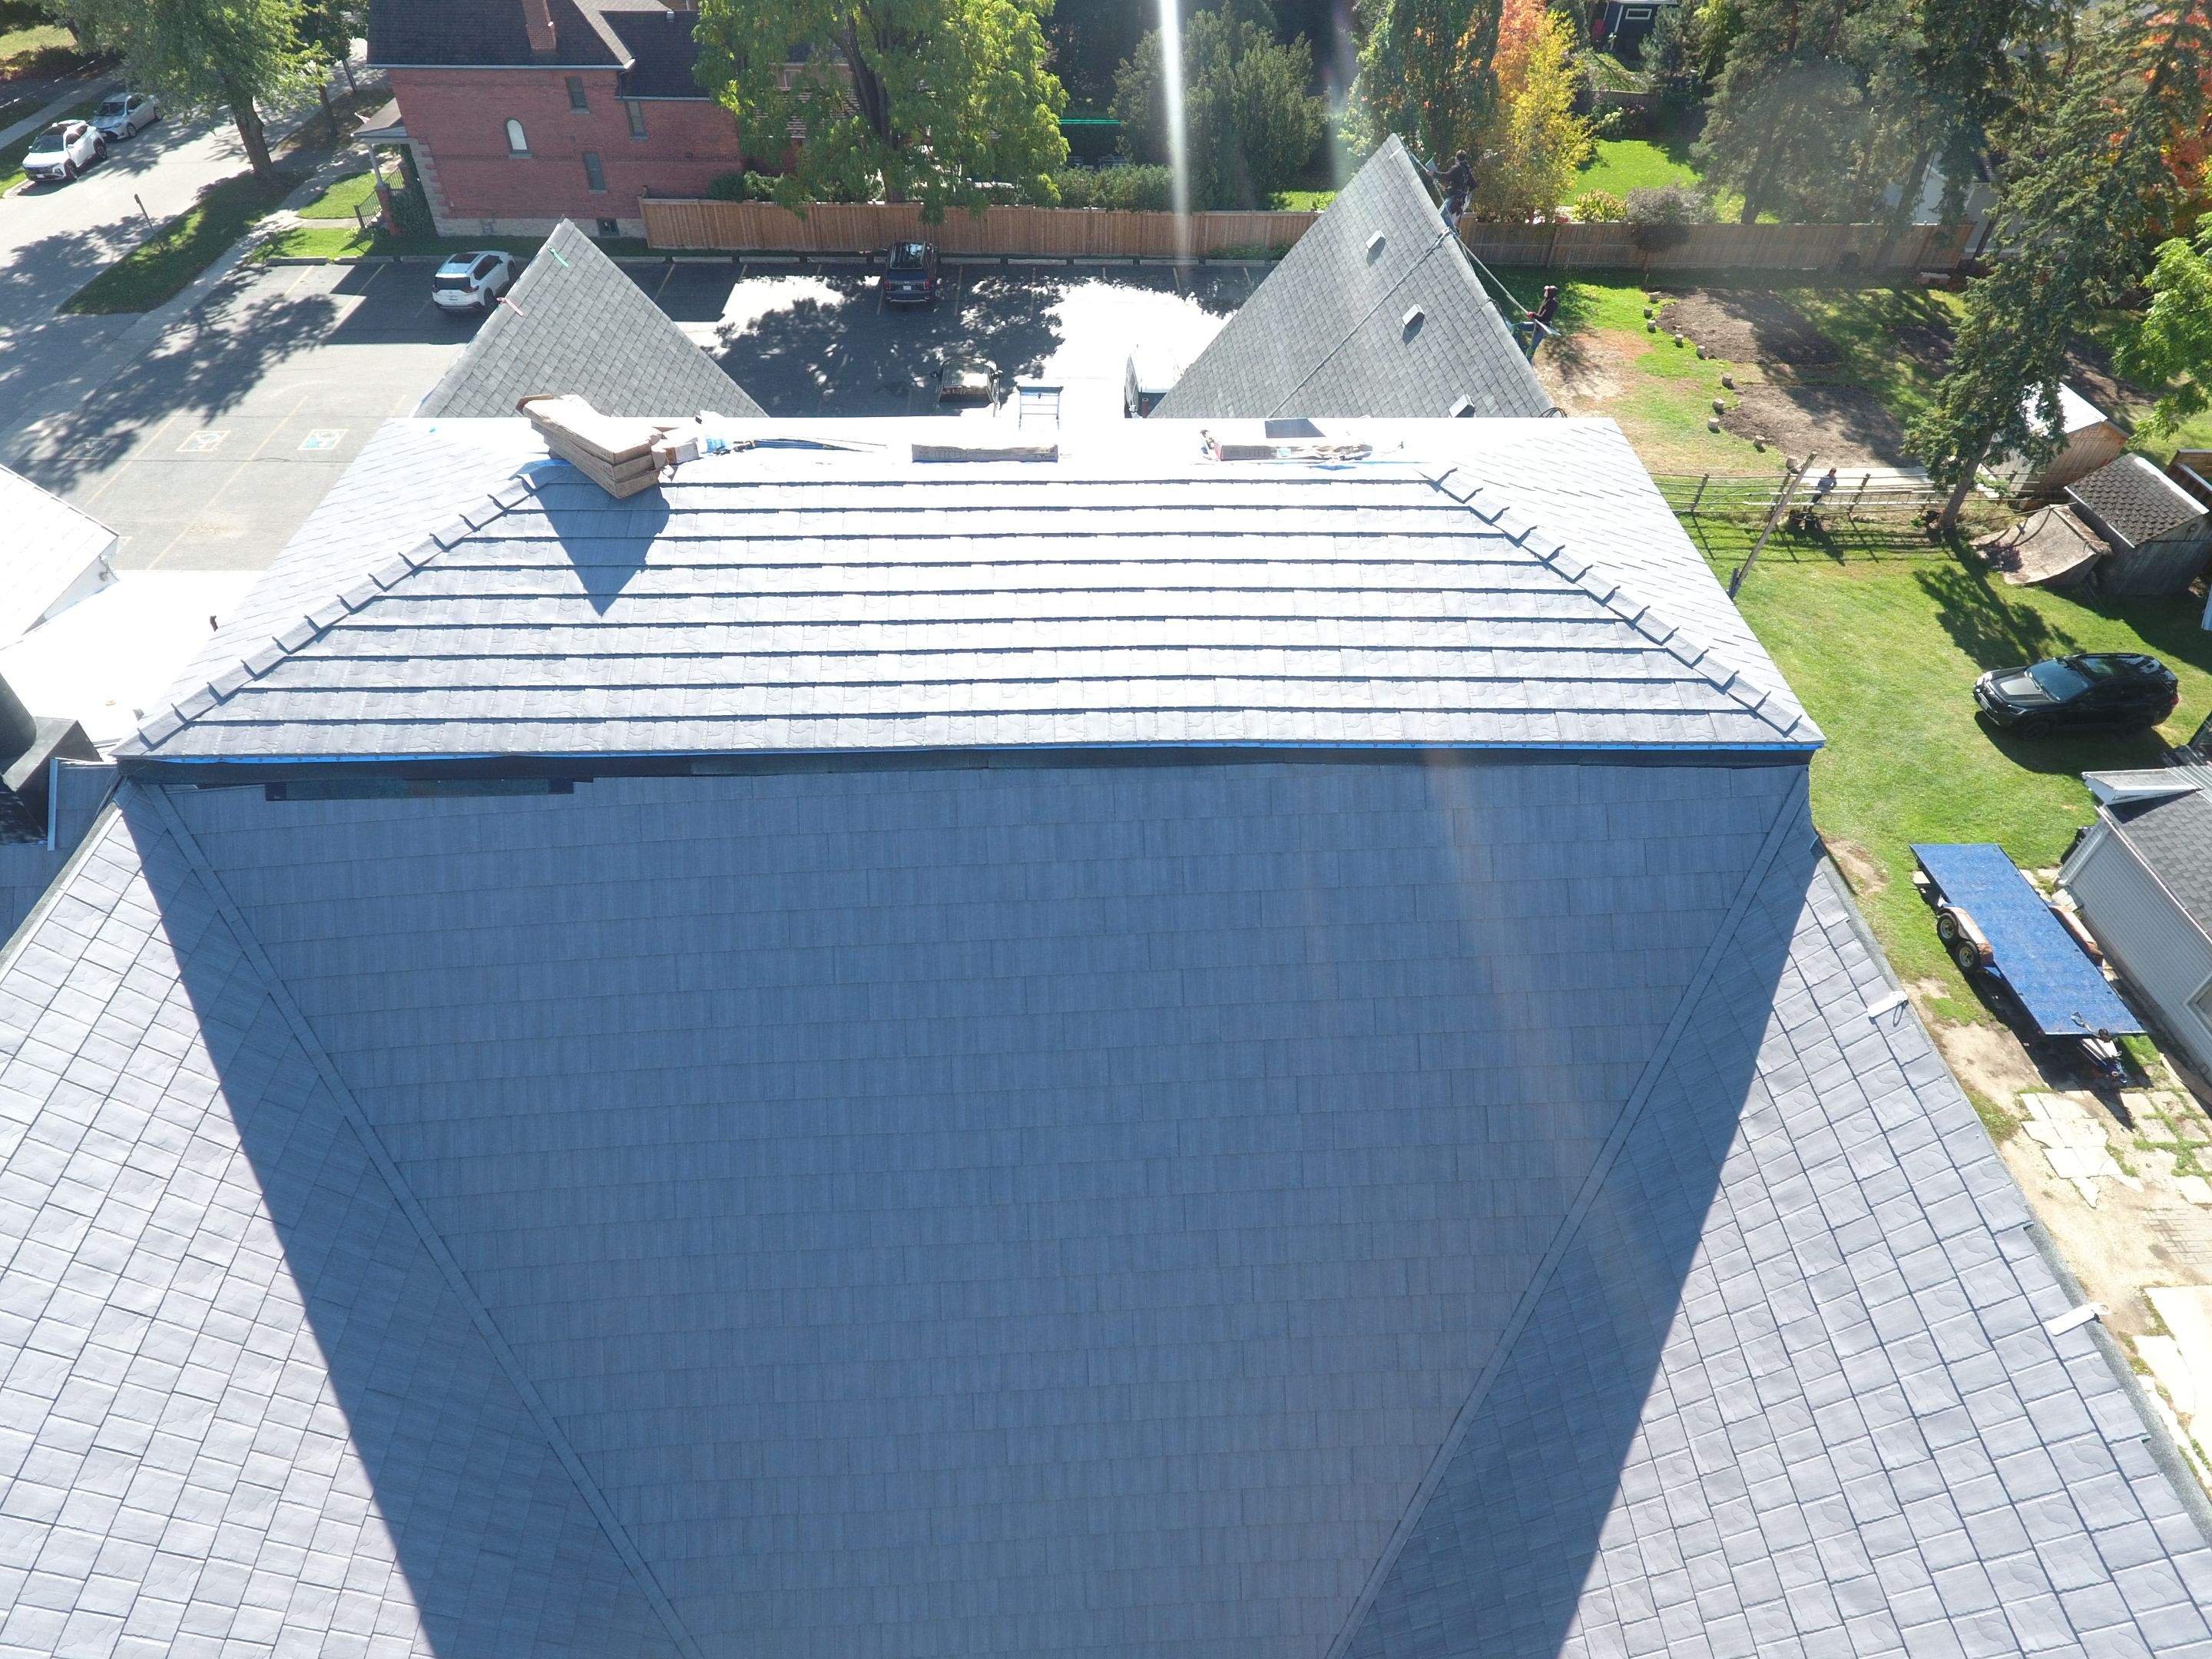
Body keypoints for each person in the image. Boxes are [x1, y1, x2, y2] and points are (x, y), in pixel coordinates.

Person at [1515, 285, 1560, 359]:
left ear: (1550, 293)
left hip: (1542, 328)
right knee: (1516, 327)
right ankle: (1521, 347)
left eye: (1547, 291)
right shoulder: (1547, 300)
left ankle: (1527, 363)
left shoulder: (1552, 304)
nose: (1545, 292)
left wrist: (1533, 314)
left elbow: (1543, 318)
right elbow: (1540, 317)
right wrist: (1533, 316)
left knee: (1532, 349)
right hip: (1536, 324)